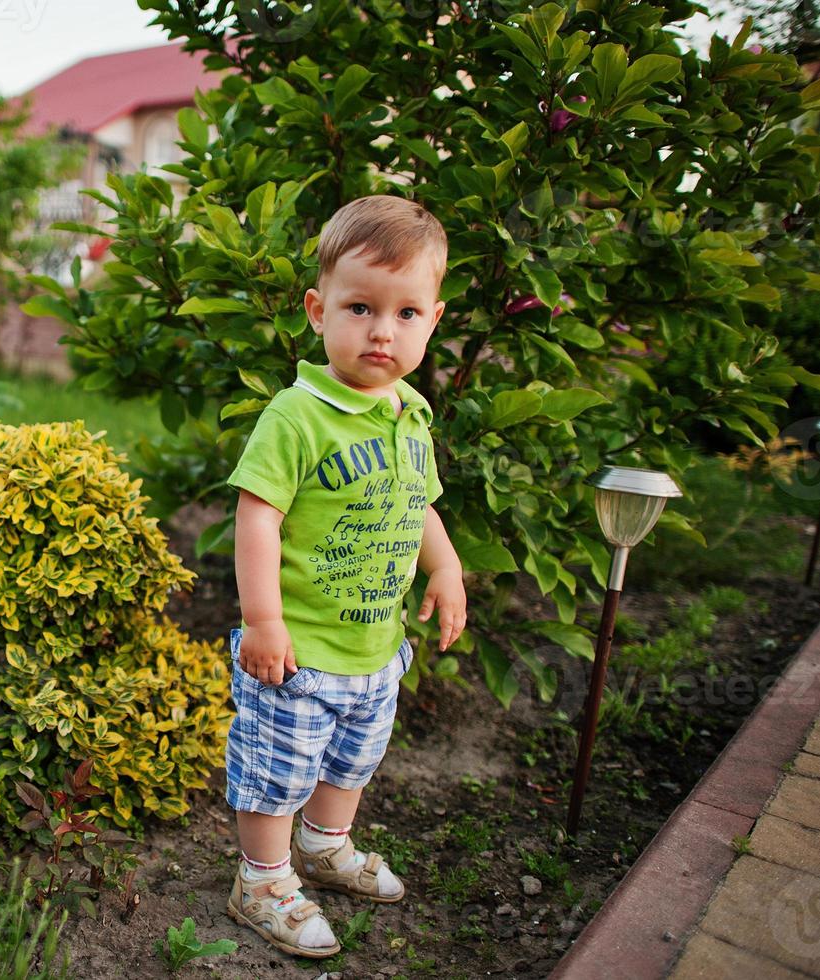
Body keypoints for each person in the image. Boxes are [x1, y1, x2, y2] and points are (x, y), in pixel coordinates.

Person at [223, 194, 468, 959]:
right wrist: (264, 622)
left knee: (351, 763)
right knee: (275, 774)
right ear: (316, 309)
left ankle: (326, 847)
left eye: (405, 313)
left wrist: (447, 566)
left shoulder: (409, 413)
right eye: (359, 307)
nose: (380, 331)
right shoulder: (296, 416)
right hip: (298, 652)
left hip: (375, 649)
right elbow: (256, 516)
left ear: (431, 321)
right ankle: (261, 879)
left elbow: (417, 500)